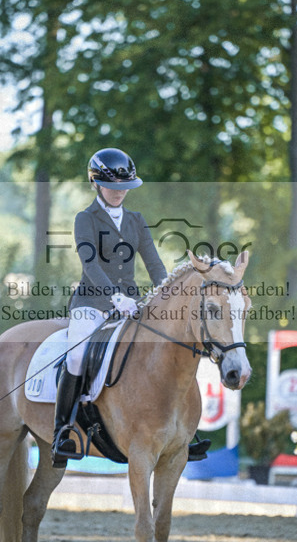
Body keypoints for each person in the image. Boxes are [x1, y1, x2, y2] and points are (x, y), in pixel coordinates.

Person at [52, 147, 210, 466]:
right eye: (112, 187)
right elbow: (90, 263)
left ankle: (181, 433)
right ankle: (62, 431)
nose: (118, 193)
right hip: (92, 302)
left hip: (132, 304)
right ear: (96, 183)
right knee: (77, 355)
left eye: (124, 188)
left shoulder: (136, 221)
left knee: (163, 352)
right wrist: (114, 296)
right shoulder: (86, 219)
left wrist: (167, 296)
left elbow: (153, 262)